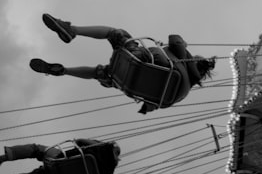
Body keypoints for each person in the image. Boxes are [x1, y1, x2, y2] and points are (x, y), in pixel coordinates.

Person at [30, 14, 215, 114]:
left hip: (138, 61)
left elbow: (173, 38)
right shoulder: (183, 93)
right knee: (99, 72)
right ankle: (63, 71)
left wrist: (185, 46)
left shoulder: (184, 57)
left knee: (116, 33)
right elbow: (157, 105)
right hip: (126, 82)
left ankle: (71, 30)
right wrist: (145, 108)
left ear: (196, 61)